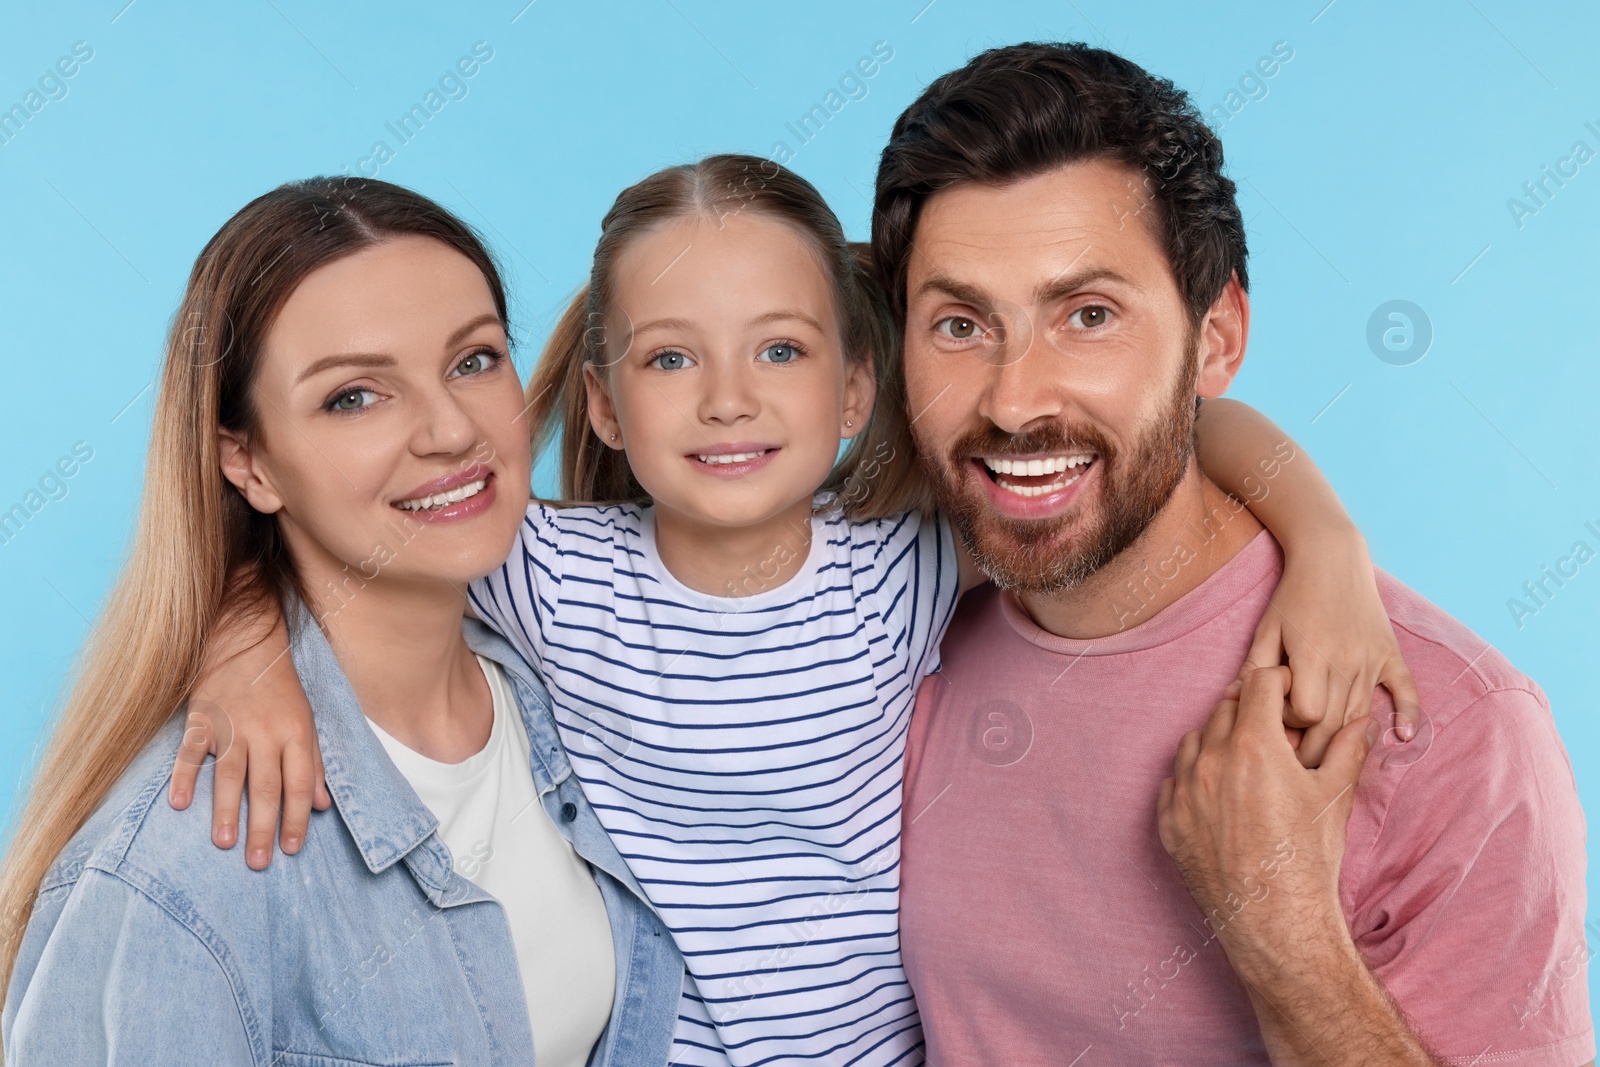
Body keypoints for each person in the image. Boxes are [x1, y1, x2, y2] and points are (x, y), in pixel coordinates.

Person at [167, 155, 1423, 1066]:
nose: (726, 399)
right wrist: (238, 646)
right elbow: (339, 539)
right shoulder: (545, 568)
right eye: (670, 359)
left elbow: (1189, 437)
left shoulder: (908, 566)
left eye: (778, 350)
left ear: (855, 390)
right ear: (604, 405)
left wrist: (1327, 547)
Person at [880, 42, 1594, 1065]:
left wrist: (1283, 933)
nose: (1012, 397)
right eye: (958, 323)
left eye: (1088, 316)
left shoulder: (1450, 728)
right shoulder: (896, 636)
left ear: (1215, 339)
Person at [0, 178, 683, 1066]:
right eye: (354, 396)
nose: (448, 429)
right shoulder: (184, 866)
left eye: (473, 359)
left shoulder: (576, 670)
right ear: (247, 462)